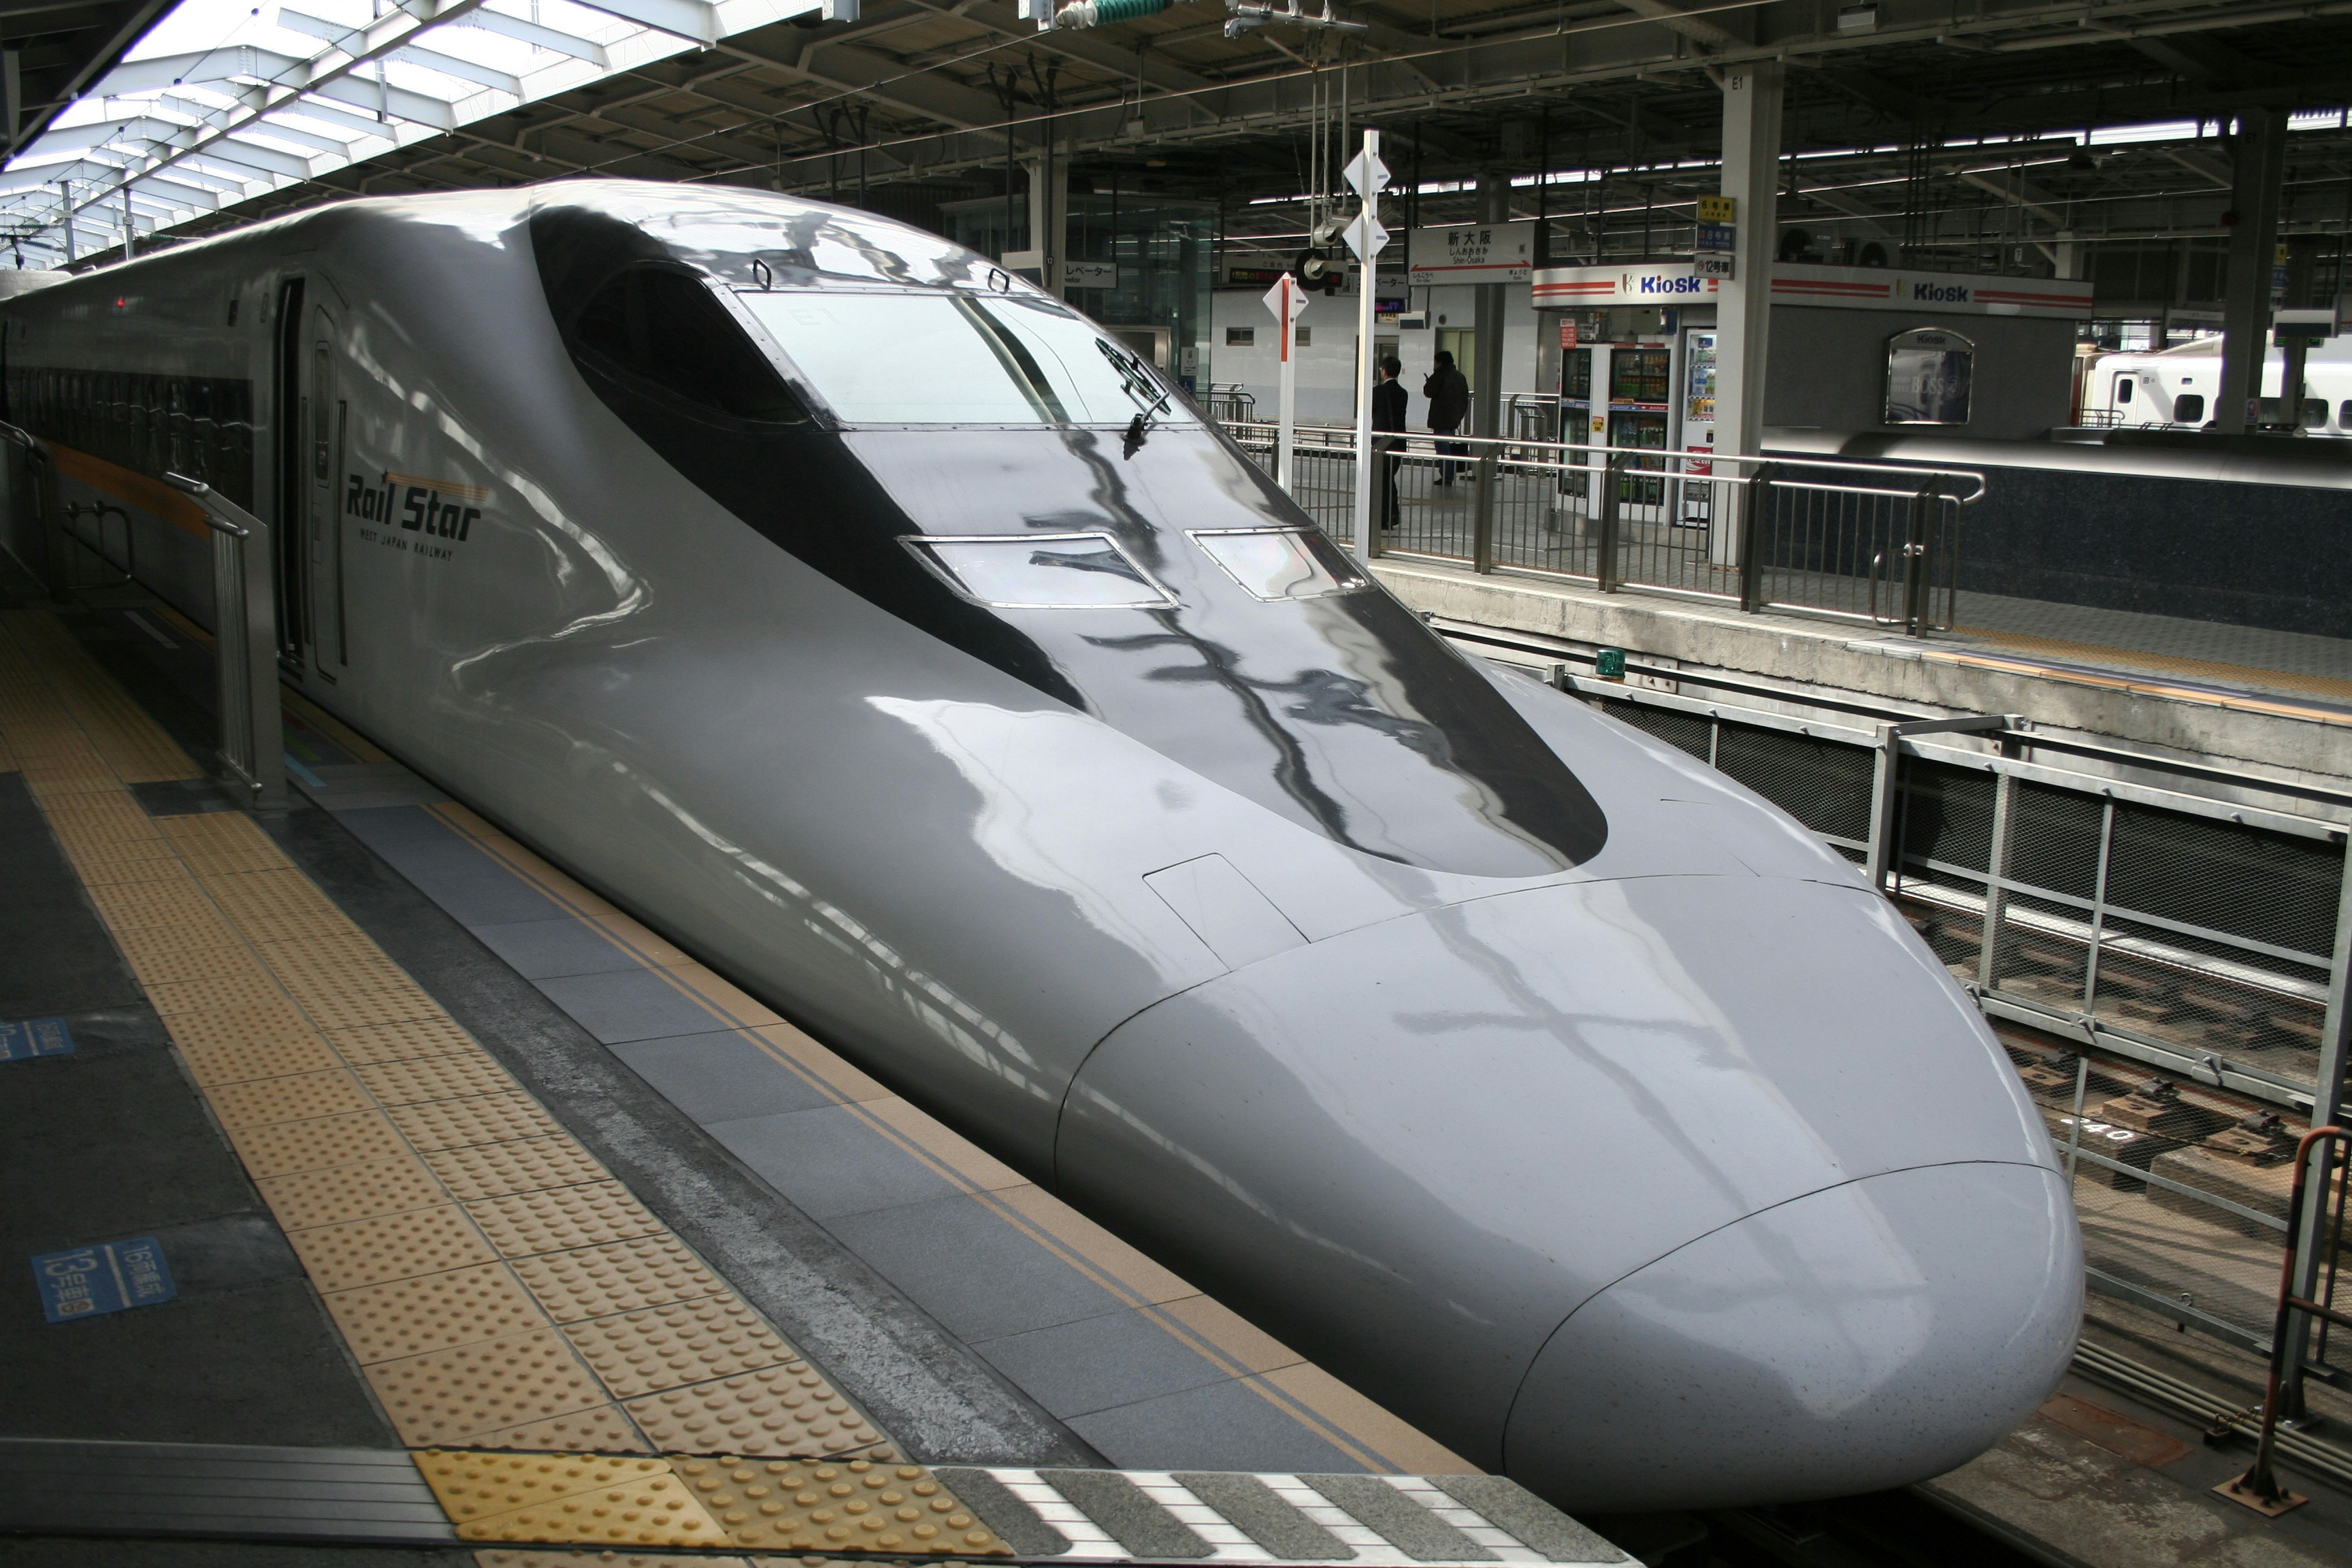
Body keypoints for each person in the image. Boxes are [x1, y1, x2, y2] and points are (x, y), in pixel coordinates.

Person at [1422, 349, 1470, 484]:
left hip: (1441, 419)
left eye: (1435, 362)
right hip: (1454, 419)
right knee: (1447, 447)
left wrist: (1430, 381)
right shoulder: (1460, 376)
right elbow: (1464, 398)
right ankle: (1448, 476)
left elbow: (1429, 392)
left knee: (1443, 450)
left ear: (1439, 362)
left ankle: (1447, 477)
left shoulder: (1440, 375)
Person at [1371, 356, 1406, 532]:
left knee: (1382, 480)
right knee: (1388, 478)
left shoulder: (1377, 392)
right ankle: (1392, 514)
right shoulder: (1403, 393)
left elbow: (1373, 413)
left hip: (1381, 444)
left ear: (1384, 371)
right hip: (1398, 443)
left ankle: (1384, 517)